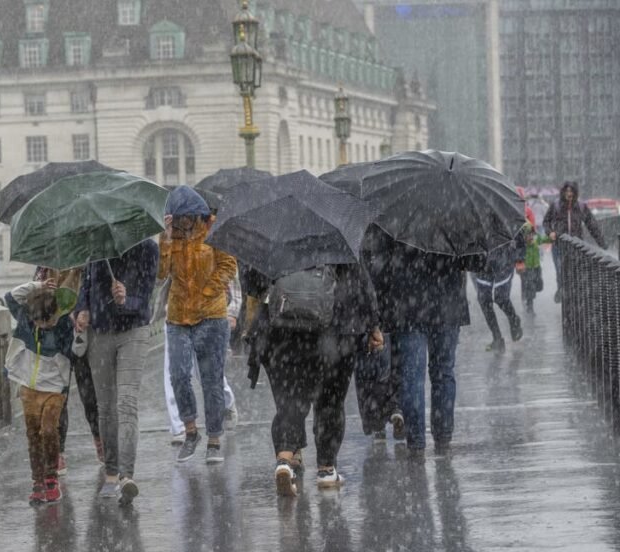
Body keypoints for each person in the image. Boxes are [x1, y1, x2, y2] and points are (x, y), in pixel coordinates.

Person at [245, 263, 384, 496]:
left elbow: (254, 283)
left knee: (290, 399)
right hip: (337, 331)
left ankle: (285, 458)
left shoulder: (276, 233)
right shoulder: (338, 234)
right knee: (331, 400)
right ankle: (326, 469)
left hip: (283, 328)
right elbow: (360, 281)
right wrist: (373, 325)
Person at [365, 228, 478, 456]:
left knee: (411, 376)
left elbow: (378, 265)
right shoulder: (454, 214)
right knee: (443, 372)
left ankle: (416, 443)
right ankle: (443, 438)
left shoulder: (394, 213)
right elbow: (477, 261)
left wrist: (379, 311)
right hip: (447, 305)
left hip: (407, 306)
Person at [75, 238, 159, 505]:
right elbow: (85, 286)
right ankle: (111, 473)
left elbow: (146, 296)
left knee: (126, 403)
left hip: (134, 330)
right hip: (101, 332)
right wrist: (81, 310)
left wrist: (127, 298)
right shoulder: (96, 247)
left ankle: (126, 475)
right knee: (106, 406)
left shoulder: (147, 248)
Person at [158, 186, 238, 463]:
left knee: (211, 379)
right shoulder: (170, 237)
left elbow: (228, 266)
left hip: (212, 316)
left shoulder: (214, 231)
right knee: (179, 374)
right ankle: (191, 430)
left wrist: (208, 292)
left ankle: (214, 437)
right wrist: (166, 240)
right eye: (175, 219)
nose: (181, 223)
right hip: (178, 316)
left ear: (195, 214)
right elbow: (160, 273)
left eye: (185, 218)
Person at [3, 278, 75, 506]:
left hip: (54, 388)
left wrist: (80, 332)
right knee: (33, 435)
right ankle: (37, 482)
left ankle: (51, 478)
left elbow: (77, 352)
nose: (43, 325)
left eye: (47, 321)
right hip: (29, 387)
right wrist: (36, 285)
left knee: (48, 430)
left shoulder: (64, 325)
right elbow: (10, 297)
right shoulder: (26, 319)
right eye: (39, 321)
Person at [34, 266, 102, 473]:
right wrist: (45, 291)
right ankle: (58, 451)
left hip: (83, 330)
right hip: (55, 333)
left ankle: (99, 439)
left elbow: (95, 288)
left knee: (89, 393)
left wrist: (80, 309)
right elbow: (37, 300)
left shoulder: (89, 261)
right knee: (58, 395)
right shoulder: (46, 263)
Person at [544, 180, 606, 302]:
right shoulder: (555, 206)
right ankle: (562, 291)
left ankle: (572, 299)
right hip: (559, 246)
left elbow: (592, 225)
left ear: (575, 193)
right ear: (563, 192)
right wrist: (550, 231)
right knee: (561, 273)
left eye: (571, 191)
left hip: (576, 246)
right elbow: (546, 221)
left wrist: (601, 242)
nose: (569, 193)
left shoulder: (581, 207)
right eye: (567, 191)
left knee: (575, 274)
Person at [472, 229, 525, 353]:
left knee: (500, 297)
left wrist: (520, 259)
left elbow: (519, 238)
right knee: (483, 299)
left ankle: (514, 319)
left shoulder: (501, 214)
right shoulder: (473, 218)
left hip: (504, 261)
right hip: (483, 264)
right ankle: (497, 337)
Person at [519, 221, 550, 313]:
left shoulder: (536, 239)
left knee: (539, 286)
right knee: (529, 285)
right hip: (526, 268)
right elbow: (517, 254)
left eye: (531, 234)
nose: (530, 236)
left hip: (536, 267)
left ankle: (528, 298)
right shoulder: (522, 245)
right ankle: (530, 304)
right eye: (527, 235)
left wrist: (552, 237)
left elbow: (545, 239)